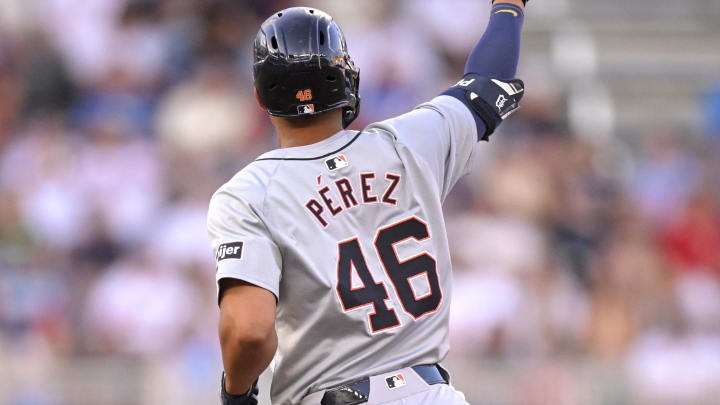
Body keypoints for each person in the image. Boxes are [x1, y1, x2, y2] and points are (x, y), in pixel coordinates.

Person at [207, 1, 527, 404]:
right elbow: (488, 79)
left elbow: (248, 330)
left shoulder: (248, 193)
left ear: (259, 97)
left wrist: (235, 394)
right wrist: (509, 6)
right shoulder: (410, 140)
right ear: (347, 78)